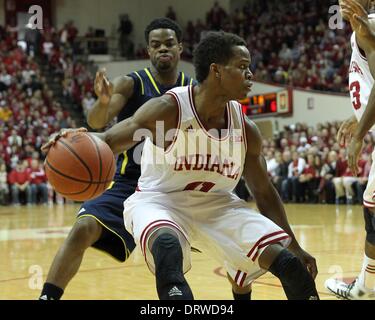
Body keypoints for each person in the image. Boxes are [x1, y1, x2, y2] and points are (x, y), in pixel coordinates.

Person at [44, 31, 319, 300]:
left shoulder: (247, 130)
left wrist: (294, 246)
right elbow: (108, 140)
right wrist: (73, 138)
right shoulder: (169, 108)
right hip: (159, 200)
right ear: (217, 71)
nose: (250, 75)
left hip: (218, 205)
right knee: (166, 246)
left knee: (290, 266)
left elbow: (264, 191)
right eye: (243, 67)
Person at [39, 18, 195, 300]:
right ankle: (47, 297)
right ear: (147, 51)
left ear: (180, 48)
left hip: (177, 186)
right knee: (82, 228)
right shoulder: (131, 83)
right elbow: (97, 121)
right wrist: (102, 102)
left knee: (170, 249)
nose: (163, 49)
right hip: (129, 183)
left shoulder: (194, 90)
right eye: (156, 45)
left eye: (169, 43)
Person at [325, 0, 375, 299]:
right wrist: (357, 117)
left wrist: (358, 135)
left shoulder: (366, 28)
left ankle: (365, 289)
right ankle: (365, 287)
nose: (342, 1)